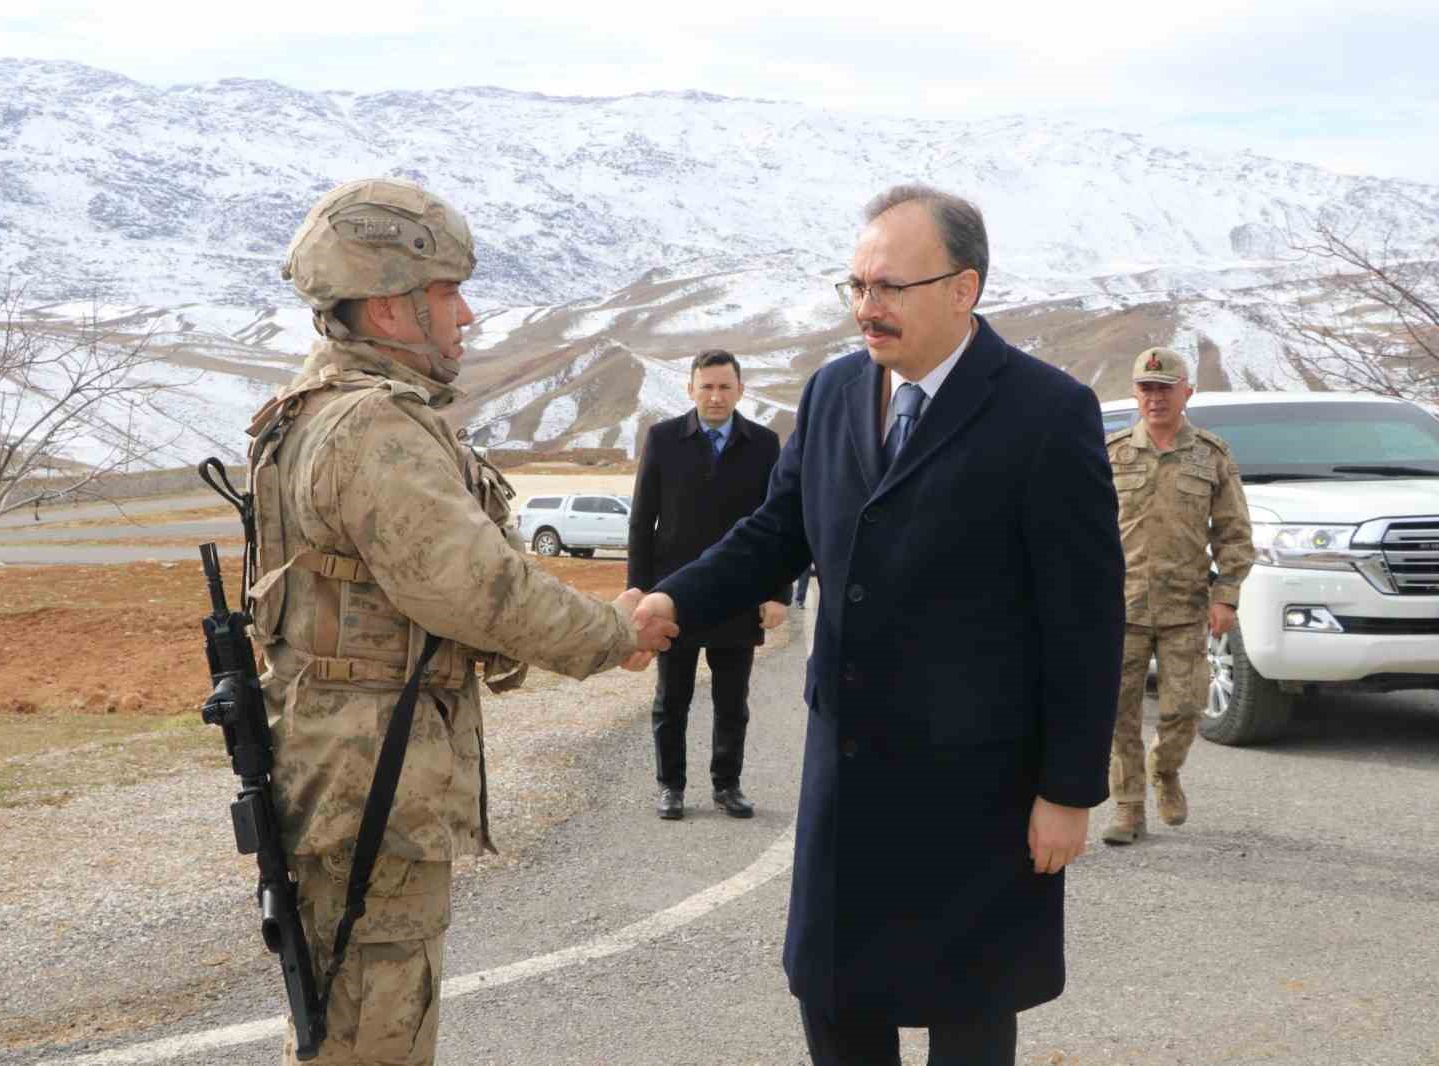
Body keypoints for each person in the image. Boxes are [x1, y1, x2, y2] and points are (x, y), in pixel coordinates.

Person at [633, 184, 1125, 1066]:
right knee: (834, 1000)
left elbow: (1085, 618)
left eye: (890, 287)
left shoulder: (1046, 413)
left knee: (968, 1014)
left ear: (963, 288)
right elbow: (778, 532)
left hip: (976, 790)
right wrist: (676, 597)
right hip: (847, 773)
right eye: (856, 285)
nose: (868, 307)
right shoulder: (832, 392)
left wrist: (1068, 790)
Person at [246, 177, 676, 1066]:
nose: (467, 314)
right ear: (392, 310)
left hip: (352, 763)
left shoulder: (323, 409)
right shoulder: (374, 429)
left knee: (356, 1012)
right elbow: (474, 587)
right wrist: (613, 635)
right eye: (446, 294)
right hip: (373, 776)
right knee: (376, 1029)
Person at [628, 348, 790, 820]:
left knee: (731, 701)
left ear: (740, 389)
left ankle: (727, 785)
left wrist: (777, 592)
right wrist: (639, 592)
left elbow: (780, 524)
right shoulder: (662, 439)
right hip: (673, 596)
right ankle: (671, 787)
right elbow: (642, 523)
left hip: (736, 595)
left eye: (724, 387)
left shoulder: (763, 445)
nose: (715, 396)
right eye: (707, 386)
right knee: (670, 699)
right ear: (691, 389)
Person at [1102, 348, 1252, 845]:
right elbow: (1085, 532)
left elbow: (1234, 533)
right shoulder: (1112, 453)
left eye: (1166, 387)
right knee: (1118, 711)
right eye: (1147, 388)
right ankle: (1127, 807)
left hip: (1185, 606)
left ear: (1187, 391)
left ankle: (1165, 770)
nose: (1155, 397)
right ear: (1134, 392)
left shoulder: (1210, 455)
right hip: (1118, 607)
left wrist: (1225, 596)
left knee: (1184, 708)